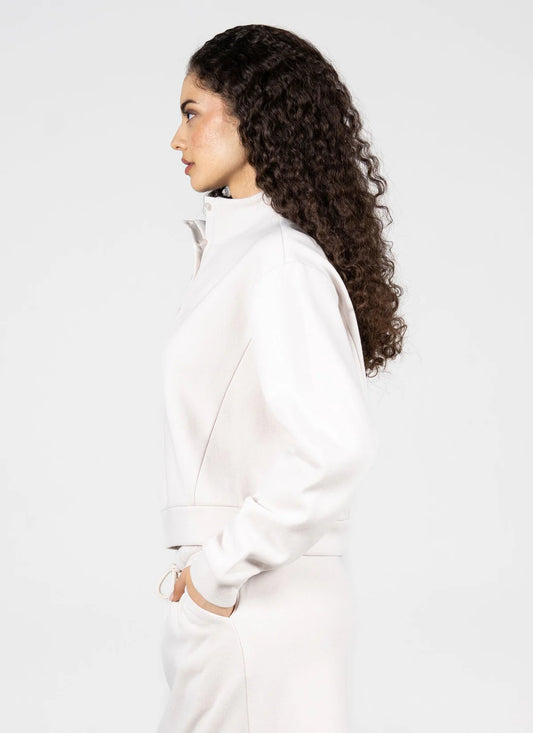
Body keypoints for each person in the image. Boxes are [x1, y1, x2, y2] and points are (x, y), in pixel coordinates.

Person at [156, 23, 406, 733]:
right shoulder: (249, 256)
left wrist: (215, 574)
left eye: (192, 113)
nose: (176, 139)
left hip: (256, 604)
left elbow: (336, 447)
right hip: (253, 601)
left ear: (252, 113)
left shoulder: (278, 263)